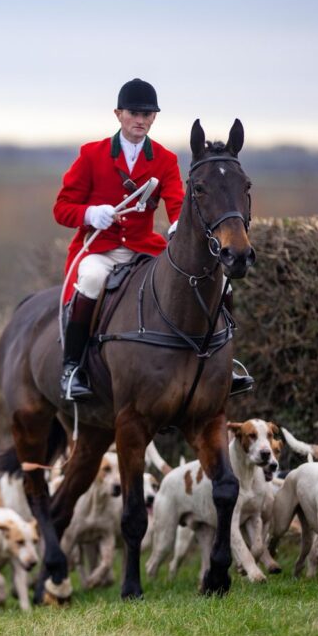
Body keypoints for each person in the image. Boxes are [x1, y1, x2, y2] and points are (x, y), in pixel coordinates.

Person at [53, 78, 253, 401]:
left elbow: (178, 205)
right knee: (89, 279)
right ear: (118, 114)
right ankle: (72, 367)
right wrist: (91, 214)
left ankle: (225, 363)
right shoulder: (92, 155)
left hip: (144, 248)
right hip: (100, 249)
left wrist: (177, 228)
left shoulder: (164, 159)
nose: (140, 120)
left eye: (148, 114)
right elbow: (61, 208)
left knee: (221, 283)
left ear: (154, 118)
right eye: (134, 113)